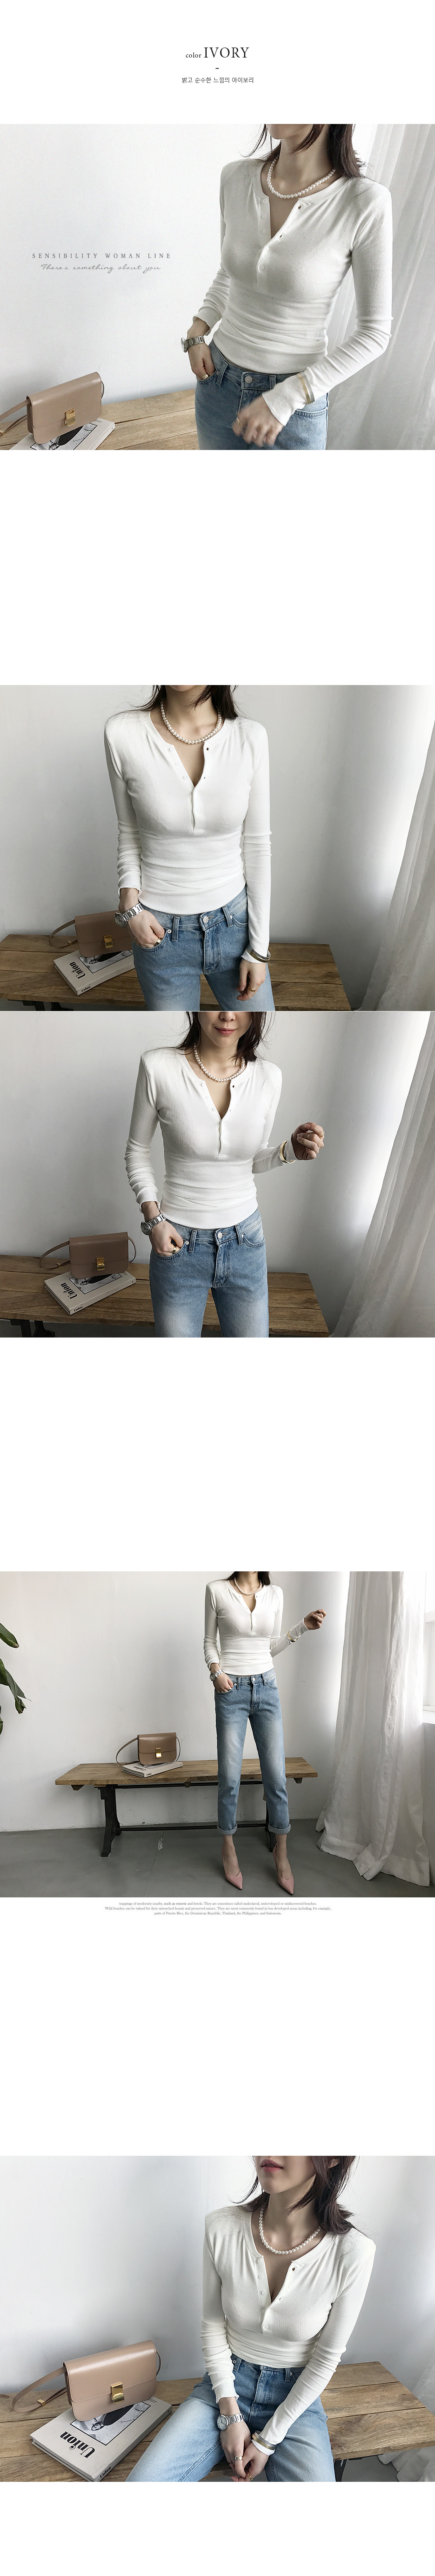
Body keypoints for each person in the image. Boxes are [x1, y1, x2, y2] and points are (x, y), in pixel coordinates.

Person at [128, 2155, 375, 2481]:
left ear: (332, 2158)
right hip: (225, 2386)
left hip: (296, 2400)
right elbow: (212, 2326)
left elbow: (327, 2359)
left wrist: (268, 2440)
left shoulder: (352, 2252)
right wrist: (230, 2414)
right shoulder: (221, 2228)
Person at [183, 124, 392, 451]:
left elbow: (374, 334)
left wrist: (287, 398)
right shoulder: (235, 178)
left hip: (295, 407)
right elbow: (231, 273)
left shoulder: (364, 202)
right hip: (217, 385)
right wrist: (198, 330)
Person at [125, 1009, 324, 1338]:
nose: (228, 1015)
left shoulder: (269, 1077)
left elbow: (252, 1160)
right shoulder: (158, 1067)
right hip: (177, 1243)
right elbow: (137, 1151)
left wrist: (289, 1151)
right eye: (216, 1005)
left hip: (246, 1241)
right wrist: (153, 1220)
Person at [105, 685, 273, 1007]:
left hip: (236, 928)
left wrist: (259, 949)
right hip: (158, 934)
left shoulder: (250, 737)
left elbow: (258, 846)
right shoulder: (122, 733)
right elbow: (129, 832)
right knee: (173, 1032)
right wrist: (130, 904)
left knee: (257, 1028)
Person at [204, 1572, 326, 1891]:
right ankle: (228, 1847)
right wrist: (216, 1672)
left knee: (276, 1776)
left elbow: (268, 1647)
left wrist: (302, 1627)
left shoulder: (276, 1594)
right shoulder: (216, 1590)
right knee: (229, 1777)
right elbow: (209, 1642)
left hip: (267, 1687)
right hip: (230, 1690)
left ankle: (281, 1852)